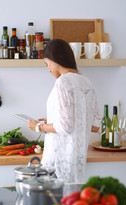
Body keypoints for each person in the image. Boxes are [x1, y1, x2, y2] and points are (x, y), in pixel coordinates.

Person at [27, 39, 101, 183]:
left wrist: (38, 127)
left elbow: (65, 127)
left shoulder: (63, 82)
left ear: (54, 60)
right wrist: (53, 120)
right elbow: (94, 125)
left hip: (57, 163)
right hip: (77, 162)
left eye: (47, 64)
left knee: (53, 204)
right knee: (70, 203)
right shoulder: (87, 83)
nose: (48, 69)